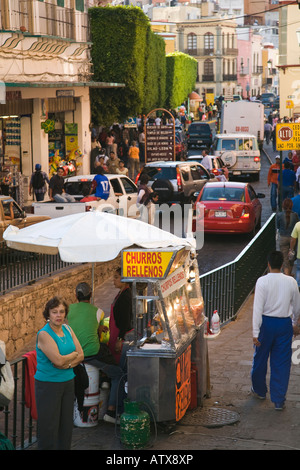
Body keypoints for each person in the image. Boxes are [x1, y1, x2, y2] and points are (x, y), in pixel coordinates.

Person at [67, 282, 126, 425]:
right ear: (91, 295)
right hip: (91, 353)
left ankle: (104, 379)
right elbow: (97, 331)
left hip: (74, 352)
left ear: (76, 296)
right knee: (118, 373)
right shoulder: (98, 312)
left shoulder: (68, 309)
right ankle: (112, 412)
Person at [251, 251, 300, 410]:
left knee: (260, 358)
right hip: (284, 325)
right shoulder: (291, 282)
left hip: (265, 324)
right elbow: (297, 307)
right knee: (282, 362)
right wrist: (294, 322)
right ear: (282, 265)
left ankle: (259, 390)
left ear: (269, 264)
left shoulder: (262, 281)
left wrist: (254, 332)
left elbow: (257, 309)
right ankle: (279, 400)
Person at [34, 296, 84, 450]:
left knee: (65, 427)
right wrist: (71, 358)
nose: (59, 315)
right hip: (49, 385)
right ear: (48, 314)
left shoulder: (68, 329)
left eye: (62, 312)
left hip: (68, 382)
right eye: (54, 312)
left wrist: (66, 362)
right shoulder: (44, 334)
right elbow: (58, 361)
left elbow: (81, 354)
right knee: (49, 428)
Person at [108, 269, 133, 366]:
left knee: (119, 366)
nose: (113, 280)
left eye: (116, 277)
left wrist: (119, 340)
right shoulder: (121, 293)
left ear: (125, 280)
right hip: (115, 334)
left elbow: (125, 320)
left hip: (120, 336)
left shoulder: (125, 296)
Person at [276, 198, 299, 275]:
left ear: (283, 206)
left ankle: (286, 275)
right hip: (293, 239)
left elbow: (278, 226)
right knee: (291, 256)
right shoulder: (295, 215)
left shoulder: (279, 215)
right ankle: (289, 273)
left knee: (285, 259)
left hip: (283, 238)